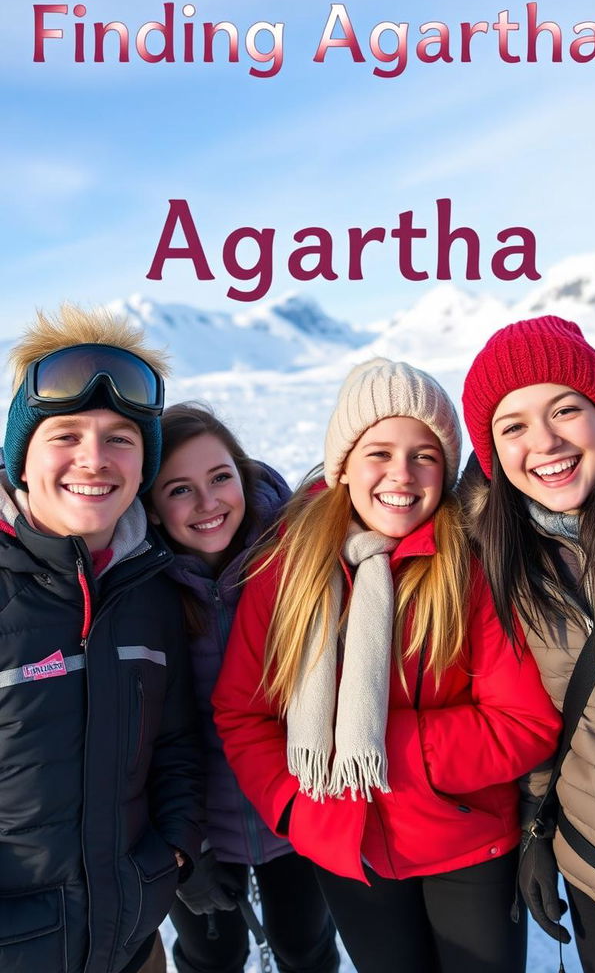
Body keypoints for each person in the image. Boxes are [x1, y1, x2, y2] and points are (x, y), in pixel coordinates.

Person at [212, 358, 561, 973]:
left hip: (467, 845)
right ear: (343, 464)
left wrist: (376, 744)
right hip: (346, 845)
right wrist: (295, 807)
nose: (401, 474)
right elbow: (244, 712)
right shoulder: (288, 571)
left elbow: (523, 722)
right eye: (378, 452)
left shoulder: (470, 567)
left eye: (424, 455)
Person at [0, 306, 202, 973]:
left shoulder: (149, 589)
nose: (94, 459)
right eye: (65, 435)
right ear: (21, 460)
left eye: (121, 437)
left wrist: (172, 847)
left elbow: (174, 737)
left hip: (133, 941)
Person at [461, 314, 595, 973]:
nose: (545, 442)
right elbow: (544, 713)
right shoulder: (509, 560)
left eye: (565, 409)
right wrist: (537, 823)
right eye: (513, 426)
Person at [146, 402, 339, 973]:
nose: (208, 504)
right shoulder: (141, 592)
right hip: (195, 829)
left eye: (220, 478)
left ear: (244, 475)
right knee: (213, 956)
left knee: (305, 946)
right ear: (152, 509)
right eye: (179, 489)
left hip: (296, 816)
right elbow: (140, 732)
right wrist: (180, 848)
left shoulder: (297, 558)